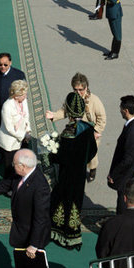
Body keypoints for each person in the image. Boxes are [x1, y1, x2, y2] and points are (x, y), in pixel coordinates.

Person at [48, 92, 97, 250]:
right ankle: (73, 233)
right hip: (80, 174)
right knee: (76, 202)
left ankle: (61, 233)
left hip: (67, 175)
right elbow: (93, 151)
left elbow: (60, 157)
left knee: (61, 201)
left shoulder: (68, 134)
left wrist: (51, 149)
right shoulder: (88, 129)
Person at [47, 72, 106, 182]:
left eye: (81, 89)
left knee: (91, 157)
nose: (78, 92)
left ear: (86, 87)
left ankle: (92, 170)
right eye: (75, 89)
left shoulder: (94, 100)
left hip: (90, 134)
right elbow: (64, 111)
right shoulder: (72, 98)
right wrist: (54, 116)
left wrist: (97, 131)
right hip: (75, 132)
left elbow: (102, 118)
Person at [107, 95, 134, 214]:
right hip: (133, 171)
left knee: (124, 205)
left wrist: (114, 174)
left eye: (121, 108)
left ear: (126, 110)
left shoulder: (133, 131)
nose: (120, 111)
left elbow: (128, 159)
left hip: (128, 175)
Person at [0, 80, 31, 177]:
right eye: (23, 95)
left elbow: (26, 116)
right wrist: (23, 135)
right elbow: (9, 128)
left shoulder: (24, 101)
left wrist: (28, 130)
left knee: (21, 163)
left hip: (23, 137)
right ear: (16, 96)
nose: (25, 96)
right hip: (9, 141)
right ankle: (8, 186)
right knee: (9, 167)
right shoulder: (7, 106)